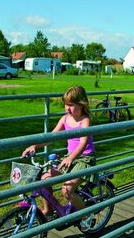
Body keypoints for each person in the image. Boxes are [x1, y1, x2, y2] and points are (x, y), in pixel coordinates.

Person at [22, 85, 96, 230]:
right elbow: (51, 137)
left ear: (82, 105)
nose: (67, 108)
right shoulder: (65, 119)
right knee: (44, 179)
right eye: (66, 104)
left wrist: (71, 158)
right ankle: (48, 211)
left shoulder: (84, 120)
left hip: (84, 159)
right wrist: (35, 146)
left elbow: (83, 143)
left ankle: (86, 216)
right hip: (70, 158)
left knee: (67, 191)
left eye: (71, 105)